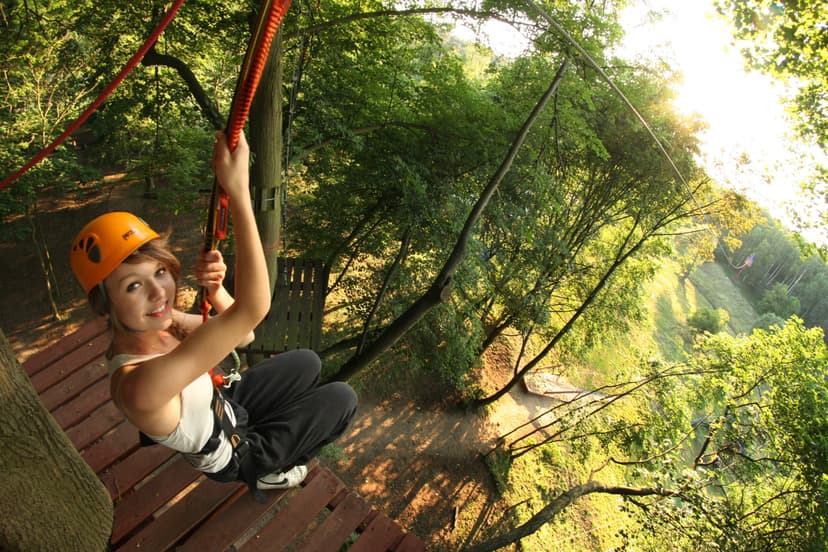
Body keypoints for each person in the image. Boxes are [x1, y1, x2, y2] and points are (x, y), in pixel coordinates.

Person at [69, 131, 357, 497]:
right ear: (104, 307)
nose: (159, 292)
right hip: (236, 452)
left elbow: (245, 335)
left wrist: (216, 290)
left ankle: (271, 432)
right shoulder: (138, 387)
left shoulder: (162, 324)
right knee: (343, 399)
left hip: (224, 404)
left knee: (308, 362)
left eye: (159, 273)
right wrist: (238, 191)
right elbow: (253, 310)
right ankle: (269, 471)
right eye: (133, 286)